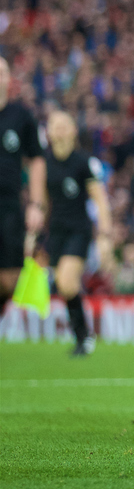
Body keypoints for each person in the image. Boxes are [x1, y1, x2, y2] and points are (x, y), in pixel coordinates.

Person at [32, 111, 110, 355]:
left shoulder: (83, 162)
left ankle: (83, 335)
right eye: (54, 125)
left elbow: (100, 199)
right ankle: (83, 337)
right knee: (66, 286)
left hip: (79, 229)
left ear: (74, 130)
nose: (59, 130)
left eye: (64, 125)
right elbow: (43, 203)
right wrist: (34, 235)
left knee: (66, 281)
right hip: (56, 232)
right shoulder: (44, 162)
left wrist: (105, 236)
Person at [0, 58, 45, 317]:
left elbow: (36, 160)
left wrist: (36, 205)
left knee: (9, 281)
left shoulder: (22, 116)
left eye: (2, 73)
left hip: (9, 205)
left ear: (8, 80)